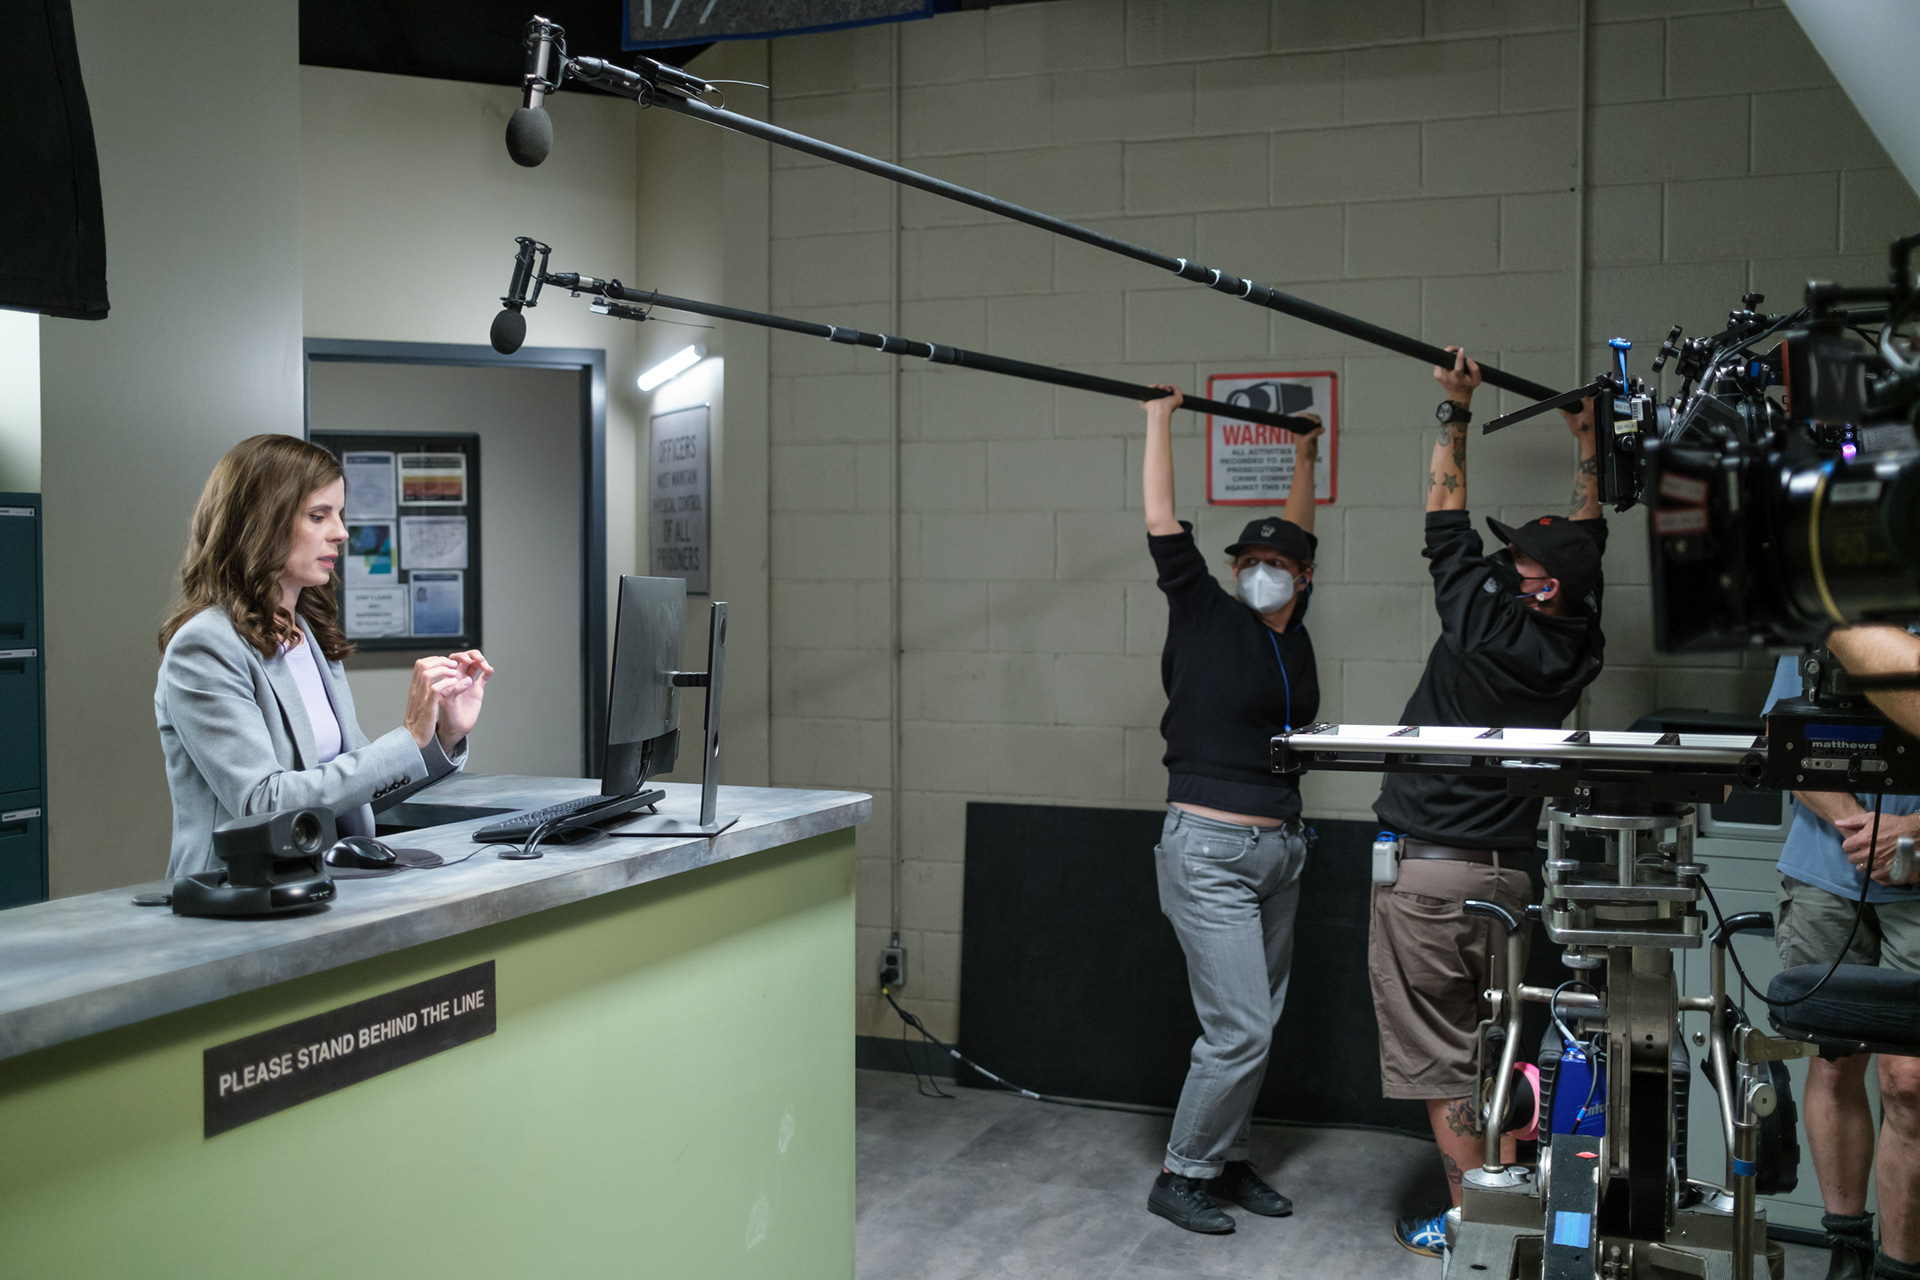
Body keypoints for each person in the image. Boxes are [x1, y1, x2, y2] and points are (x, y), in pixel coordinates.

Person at [1370, 349, 1607, 1257]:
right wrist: (1588, 448)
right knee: (1502, 1048)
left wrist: (1455, 411)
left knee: (1444, 1059)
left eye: (1521, 563)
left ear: (1542, 587)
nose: (1505, 565)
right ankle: (1511, 1215)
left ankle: (1474, 1229)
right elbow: (1584, 551)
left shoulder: (1482, 623)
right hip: (1511, 879)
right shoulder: (1574, 643)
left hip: (1431, 878)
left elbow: (1444, 523)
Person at [1138, 385, 1323, 1234]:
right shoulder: (1205, 610)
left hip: (1280, 851)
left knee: (1263, 1022)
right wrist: (1160, 422)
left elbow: (1298, 529)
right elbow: (1162, 522)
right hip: (1208, 849)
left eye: (1275, 562)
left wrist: (1305, 456)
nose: (1258, 569)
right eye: (1247, 558)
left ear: (1302, 577)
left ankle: (1226, 1156)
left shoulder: (1294, 632)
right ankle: (1180, 1174)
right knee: (1240, 1028)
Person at [156, 434, 493, 878]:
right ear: (260, 522)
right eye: (319, 516)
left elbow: (353, 791)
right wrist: (409, 737)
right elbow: (262, 803)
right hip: (235, 894)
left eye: (339, 514)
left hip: (322, 884)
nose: (341, 532)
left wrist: (439, 736)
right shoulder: (204, 646)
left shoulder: (307, 635)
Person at [1766, 633, 1920, 1280]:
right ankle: (1847, 1249)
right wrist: (1862, 828)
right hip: (1830, 868)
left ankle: (1901, 1265)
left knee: (1909, 1082)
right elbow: (1786, 739)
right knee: (1833, 1062)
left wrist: (1910, 834)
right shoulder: (1832, 617)